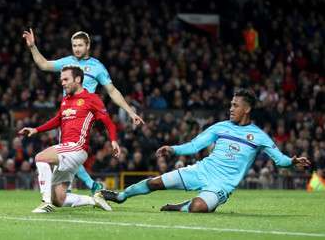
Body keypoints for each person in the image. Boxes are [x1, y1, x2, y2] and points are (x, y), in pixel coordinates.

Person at [99, 89, 311, 213]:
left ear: (247, 109)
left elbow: (280, 160)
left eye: (236, 106)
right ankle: (121, 196)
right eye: (231, 104)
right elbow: (194, 146)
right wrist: (173, 149)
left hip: (222, 185)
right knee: (155, 182)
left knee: (198, 208)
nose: (231, 108)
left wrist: (292, 161)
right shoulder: (220, 127)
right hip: (202, 170)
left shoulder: (259, 136)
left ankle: (182, 206)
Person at [23, 28, 143, 194]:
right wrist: (32, 47)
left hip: (85, 113)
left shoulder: (97, 67)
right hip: (66, 113)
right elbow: (43, 65)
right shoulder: (68, 63)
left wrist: (130, 112)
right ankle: (87, 186)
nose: (77, 48)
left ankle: (75, 189)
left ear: (88, 46)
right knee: (67, 153)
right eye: (74, 45)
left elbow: (112, 91)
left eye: (80, 45)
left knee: (66, 151)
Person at [19, 65, 119, 213]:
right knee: (59, 199)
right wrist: (36, 129)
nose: (62, 83)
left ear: (78, 79)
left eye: (66, 79)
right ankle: (94, 200)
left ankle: (45, 202)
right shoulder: (66, 99)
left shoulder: (92, 99)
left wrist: (113, 140)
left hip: (77, 146)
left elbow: (108, 122)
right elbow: (58, 119)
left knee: (41, 157)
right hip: (67, 150)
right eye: (61, 80)